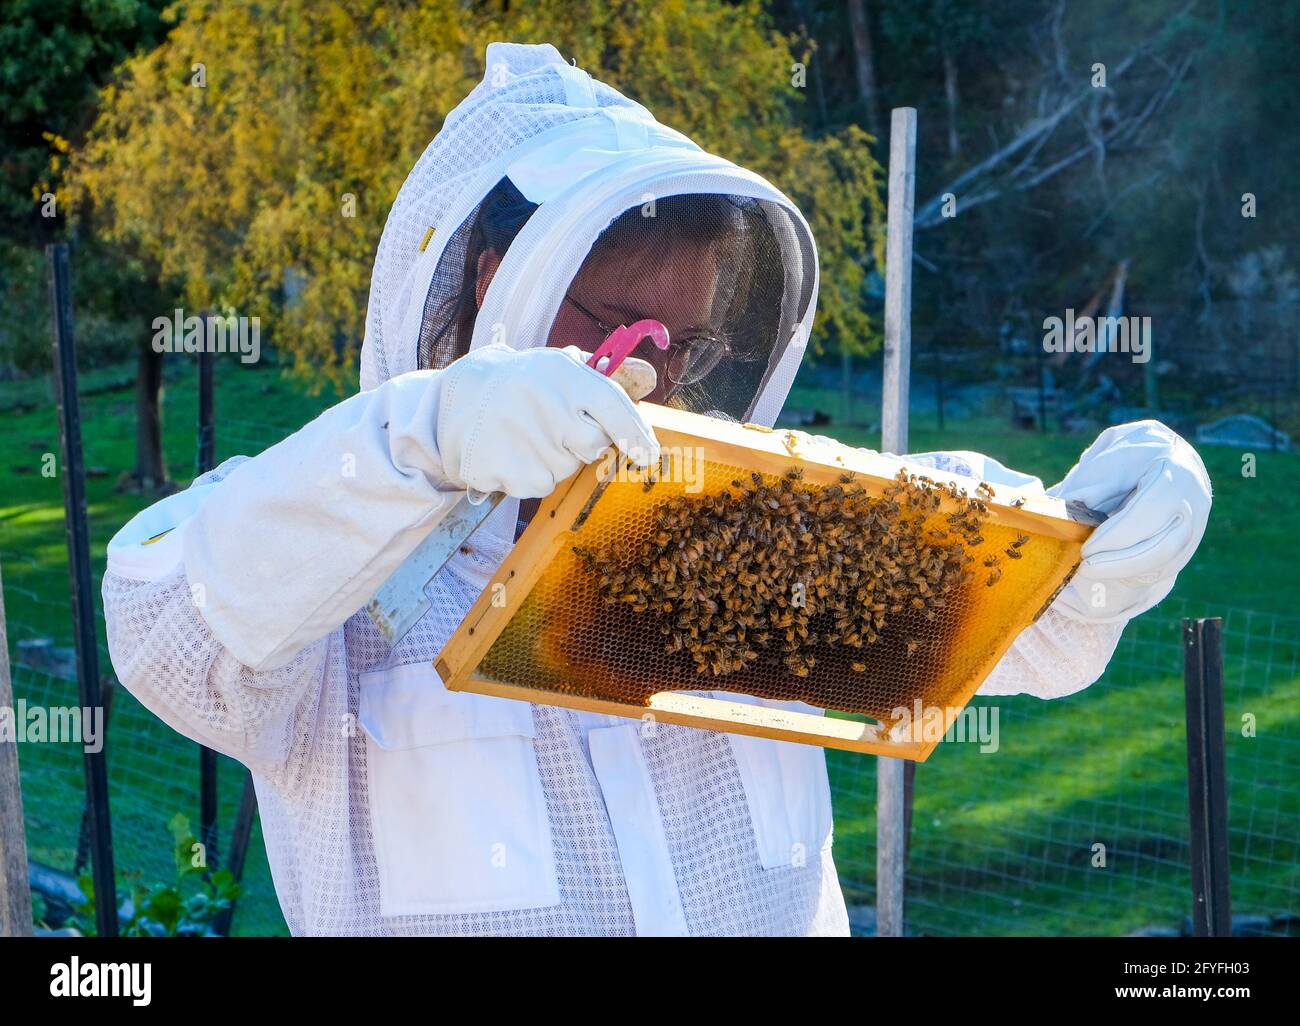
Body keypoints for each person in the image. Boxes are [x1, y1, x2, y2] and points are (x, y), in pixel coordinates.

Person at [103, 43, 1212, 936]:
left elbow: (1015, 624)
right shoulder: (337, 571)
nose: (658, 375)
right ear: (492, 286)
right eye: (622, 327)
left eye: (688, 343)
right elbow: (167, 626)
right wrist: (426, 439)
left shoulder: (751, 553)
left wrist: (1101, 545)